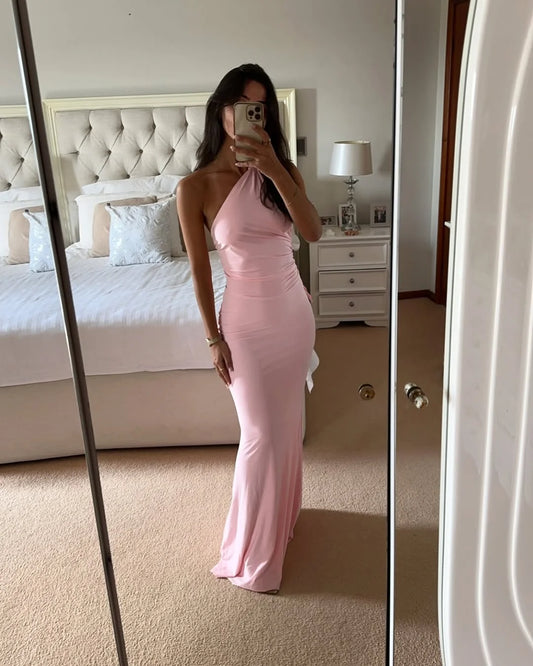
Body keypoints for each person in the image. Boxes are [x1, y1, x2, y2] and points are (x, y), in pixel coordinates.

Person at [176, 63, 322, 594]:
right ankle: (253, 551)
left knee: (287, 424)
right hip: (245, 325)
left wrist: (276, 170)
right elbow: (199, 271)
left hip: (293, 316)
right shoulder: (194, 187)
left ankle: (282, 520)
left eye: (259, 108)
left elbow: (313, 232)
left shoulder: (282, 171)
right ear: (222, 109)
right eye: (242, 105)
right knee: (260, 434)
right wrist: (212, 337)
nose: (250, 116)